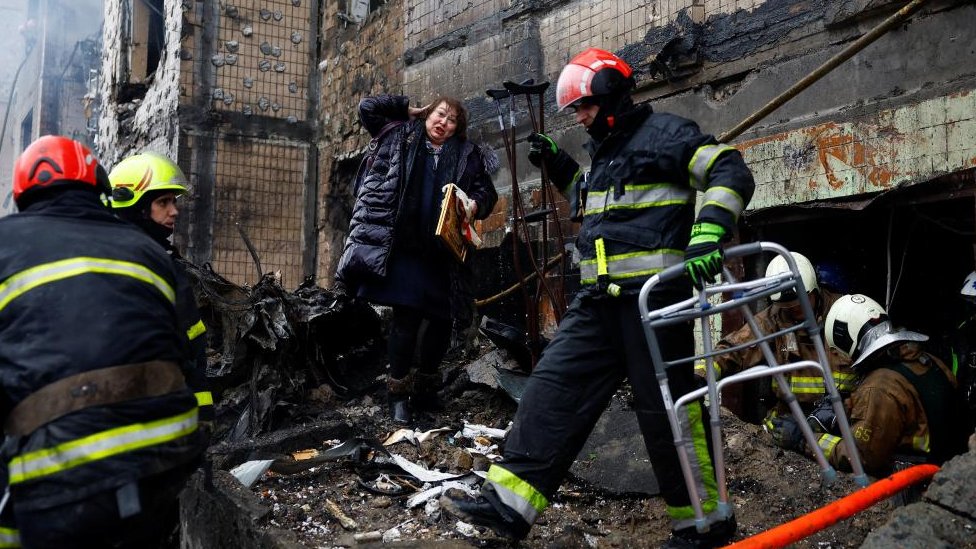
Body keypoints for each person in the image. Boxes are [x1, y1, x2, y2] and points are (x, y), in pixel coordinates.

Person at [441, 47, 755, 547]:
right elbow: (596, 202)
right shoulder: (605, 155)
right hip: (597, 305)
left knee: (668, 415)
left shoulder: (667, 136)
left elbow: (729, 170)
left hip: (654, 306)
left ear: (611, 94)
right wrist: (562, 168)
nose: (579, 117)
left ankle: (706, 524)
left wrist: (708, 232)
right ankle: (507, 507)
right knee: (549, 392)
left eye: (583, 107)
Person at [0, 136, 205, 547]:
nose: (174, 212)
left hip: (56, 473)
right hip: (166, 451)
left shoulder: (7, 243)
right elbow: (191, 353)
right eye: (164, 202)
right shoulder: (149, 255)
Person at [335, 94, 498, 425]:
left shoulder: (468, 155)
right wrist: (405, 108)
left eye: (451, 120)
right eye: (439, 115)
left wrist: (473, 205)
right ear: (427, 116)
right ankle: (397, 395)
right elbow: (367, 108)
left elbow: (487, 193)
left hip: (443, 255)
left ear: (457, 128)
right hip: (405, 250)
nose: (443, 123)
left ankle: (426, 390)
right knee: (406, 321)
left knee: (440, 323)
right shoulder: (402, 135)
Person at [773, 293, 969, 476]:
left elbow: (860, 457)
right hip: (953, 467)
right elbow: (907, 412)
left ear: (846, 339)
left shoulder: (879, 387)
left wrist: (803, 439)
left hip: (914, 482)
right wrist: (848, 407)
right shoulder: (927, 360)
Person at [108, 152, 214, 432]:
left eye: (174, 202)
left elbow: (193, 351)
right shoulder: (121, 267)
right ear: (136, 206)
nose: (174, 211)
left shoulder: (164, 262)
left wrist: (202, 417)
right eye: (162, 202)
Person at [701, 252, 857, 430]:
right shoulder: (774, 319)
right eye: (788, 308)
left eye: (800, 304)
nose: (795, 311)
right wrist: (700, 377)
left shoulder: (847, 312)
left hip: (842, 419)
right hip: (788, 421)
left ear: (814, 290)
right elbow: (733, 350)